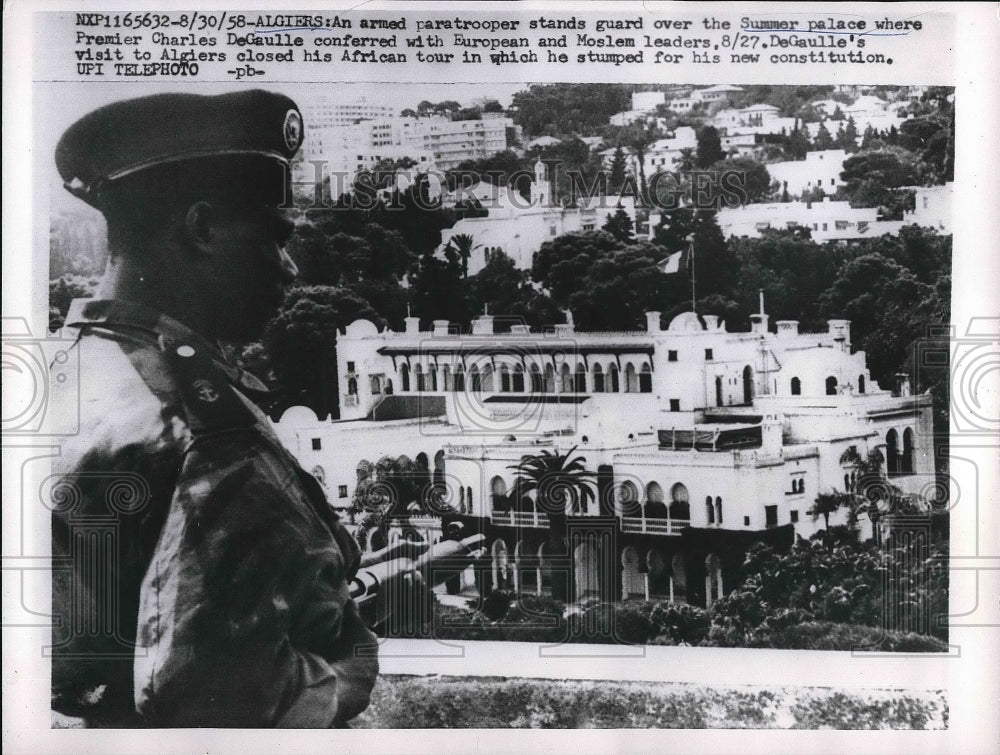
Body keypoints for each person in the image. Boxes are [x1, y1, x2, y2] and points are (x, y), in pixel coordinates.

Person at [49, 90, 381, 727]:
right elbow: (215, 694)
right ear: (202, 228)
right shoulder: (212, 438)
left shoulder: (58, 373)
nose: (288, 269)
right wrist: (350, 665)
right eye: (274, 238)